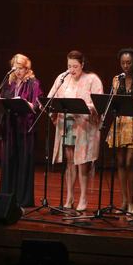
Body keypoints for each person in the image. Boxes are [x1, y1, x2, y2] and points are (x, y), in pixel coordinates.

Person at [48, 50, 102, 212]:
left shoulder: (92, 79)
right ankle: (69, 197)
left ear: (82, 64)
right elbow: (51, 98)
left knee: (82, 162)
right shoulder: (62, 78)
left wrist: (85, 107)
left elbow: (98, 103)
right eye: (69, 66)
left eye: (75, 66)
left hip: (84, 126)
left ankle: (83, 197)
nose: (72, 70)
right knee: (70, 161)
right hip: (67, 124)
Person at [106, 48, 133, 215]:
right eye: (123, 63)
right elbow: (114, 101)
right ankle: (124, 201)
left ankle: (132, 202)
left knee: (130, 161)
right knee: (120, 162)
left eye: (129, 63)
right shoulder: (117, 79)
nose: (125, 66)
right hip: (120, 124)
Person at [0, 54, 42, 208]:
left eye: (21, 68)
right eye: (15, 68)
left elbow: (37, 104)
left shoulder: (33, 83)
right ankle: (7, 196)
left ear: (27, 68)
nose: (18, 71)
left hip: (25, 128)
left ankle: (23, 199)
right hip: (11, 127)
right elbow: (2, 100)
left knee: (24, 161)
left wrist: (28, 105)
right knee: (9, 159)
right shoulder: (8, 82)